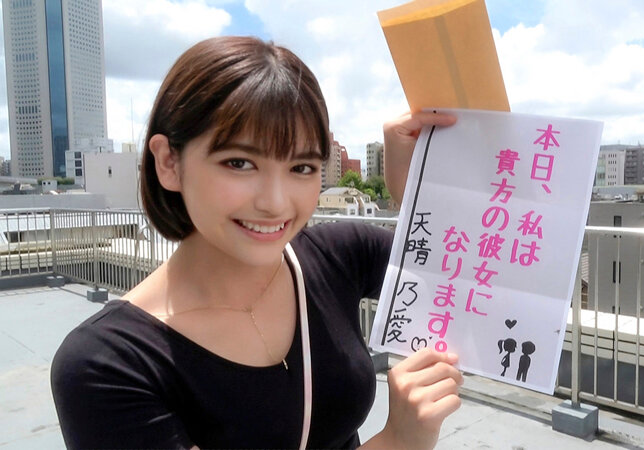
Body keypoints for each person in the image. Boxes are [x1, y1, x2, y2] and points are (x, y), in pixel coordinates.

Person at [50, 36, 460, 449]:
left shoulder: (340, 255)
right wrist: (398, 441)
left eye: (301, 167)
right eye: (240, 163)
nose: (275, 202)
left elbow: (474, 273)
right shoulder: (107, 364)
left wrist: (418, 189)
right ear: (169, 162)